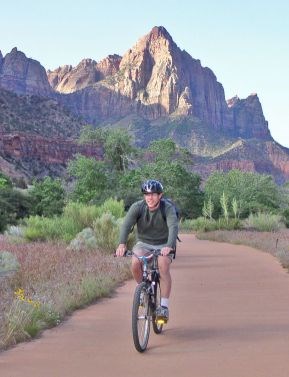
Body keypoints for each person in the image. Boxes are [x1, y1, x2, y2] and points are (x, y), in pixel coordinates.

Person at [115, 179, 179, 322]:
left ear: (160, 195)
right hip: (144, 243)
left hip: (164, 244)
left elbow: (173, 227)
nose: (150, 197)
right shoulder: (137, 207)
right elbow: (126, 225)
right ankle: (142, 291)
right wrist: (121, 244)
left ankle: (163, 307)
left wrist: (169, 245)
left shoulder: (167, 208)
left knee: (163, 265)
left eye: (153, 194)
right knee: (135, 263)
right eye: (147, 194)